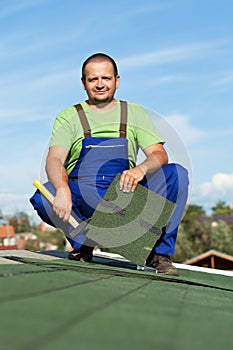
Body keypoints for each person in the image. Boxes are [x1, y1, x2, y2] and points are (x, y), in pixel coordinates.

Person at [30, 53, 189, 276]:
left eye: (106, 78)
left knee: (176, 174)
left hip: (125, 197)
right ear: (83, 83)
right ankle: (84, 243)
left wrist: (140, 169)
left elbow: (159, 154)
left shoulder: (134, 113)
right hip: (84, 199)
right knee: (43, 196)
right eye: (93, 79)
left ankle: (159, 255)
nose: (100, 84)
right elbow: (54, 159)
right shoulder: (69, 116)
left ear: (117, 80)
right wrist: (63, 189)